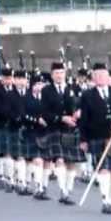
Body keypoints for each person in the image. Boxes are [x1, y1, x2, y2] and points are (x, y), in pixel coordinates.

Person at [79, 63, 111, 214]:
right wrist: (83, 139)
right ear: (93, 78)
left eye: (103, 75)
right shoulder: (87, 96)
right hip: (97, 137)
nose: (100, 78)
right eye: (97, 75)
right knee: (103, 169)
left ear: (108, 77)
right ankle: (105, 200)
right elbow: (84, 120)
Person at [42, 62, 85, 205]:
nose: (59, 76)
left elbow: (81, 105)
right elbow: (45, 112)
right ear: (52, 75)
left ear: (65, 74)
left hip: (71, 129)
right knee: (59, 160)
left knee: (71, 162)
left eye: (61, 73)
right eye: (56, 73)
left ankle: (69, 188)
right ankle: (63, 192)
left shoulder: (72, 88)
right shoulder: (46, 91)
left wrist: (78, 113)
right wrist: (61, 118)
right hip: (55, 129)